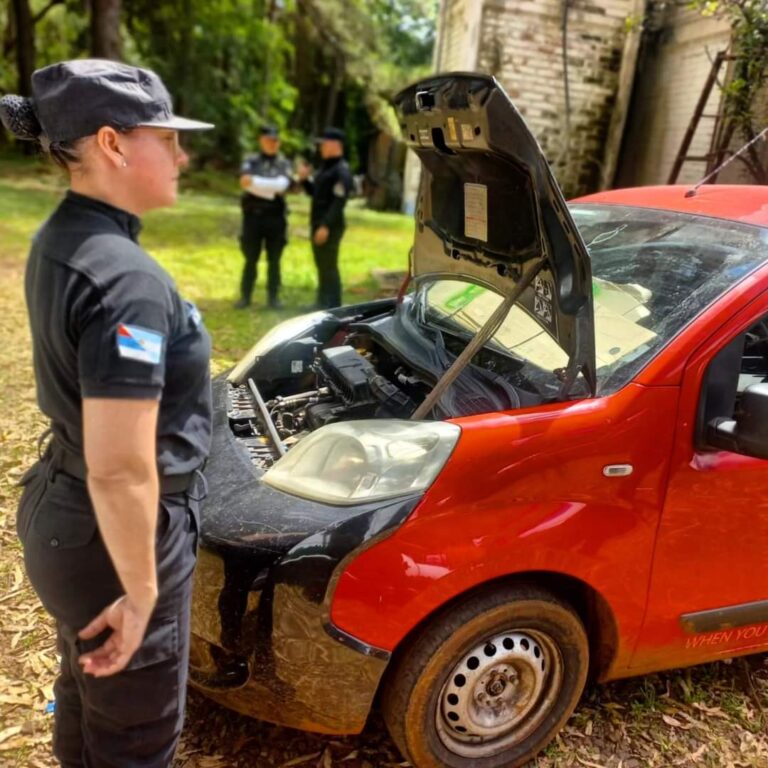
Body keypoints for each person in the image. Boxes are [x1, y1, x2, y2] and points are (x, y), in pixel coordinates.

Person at [0, 59, 213, 768]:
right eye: (167, 137)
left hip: (65, 518)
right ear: (112, 144)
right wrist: (143, 588)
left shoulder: (65, 238)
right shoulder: (127, 282)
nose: (181, 155)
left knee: (87, 700)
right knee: (135, 743)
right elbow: (122, 467)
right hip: (117, 542)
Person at [236, 125, 293, 309]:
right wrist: (271, 187)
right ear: (261, 141)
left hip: (276, 218)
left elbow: (283, 185)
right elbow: (245, 182)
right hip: (253, 217)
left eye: (276, 141)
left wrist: (256, 184)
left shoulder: (284, 163)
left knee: (274, 260)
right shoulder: (251, 161)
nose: (273, 144)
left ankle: (273, 298)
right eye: (269, 140)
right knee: (250, 258)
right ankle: (245, 296)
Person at [298, 126, 353, 309]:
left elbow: (339, 202)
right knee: (322, 266)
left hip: (330, 226)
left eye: (324, 144)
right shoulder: (326, 168)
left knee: (329, 267)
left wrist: (326, 226)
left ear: (335, 145)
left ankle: (334, 306)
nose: (321, 148)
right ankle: (321, 304)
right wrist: (305, 180)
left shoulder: (341, 170)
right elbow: (316, 194)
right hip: (318, 223)